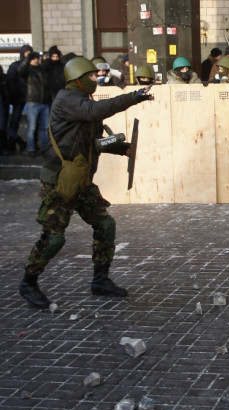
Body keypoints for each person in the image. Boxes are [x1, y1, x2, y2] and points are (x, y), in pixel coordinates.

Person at [18, 56, 154, 310]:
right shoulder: (68, 99)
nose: (97, 79)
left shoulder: (81, 101)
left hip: (80, 178)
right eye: (92, 76)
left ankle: (100, 281)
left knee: (105, 224)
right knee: (54, 238)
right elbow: (96, 112)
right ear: (78, 79)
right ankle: (28, 283)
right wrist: (134, 97)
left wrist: (121, 148)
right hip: (59, 180)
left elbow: (92, 145)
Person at [18, 51, 51, 157]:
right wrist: (27, 59)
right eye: (34, 58)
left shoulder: (43, 70)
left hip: (45, 102)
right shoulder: (28, 70)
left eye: (37, 58)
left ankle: (44, 148)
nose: (36, 60)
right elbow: (20, 71)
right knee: (32, 127)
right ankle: (31, 148)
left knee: (45, 128)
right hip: (33, 102)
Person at [6, 44, 34, 152]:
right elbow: (11, 80)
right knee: (15, 122)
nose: (28, 54)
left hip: (31, 97)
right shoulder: (15, 65)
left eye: (29, 52)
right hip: (19, 98)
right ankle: (12, 143)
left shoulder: (33, 66)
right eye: (26, 52)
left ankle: (30, 144)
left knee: (33, 124)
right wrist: (12, 95)